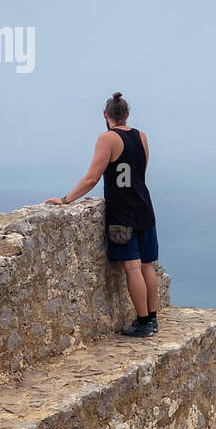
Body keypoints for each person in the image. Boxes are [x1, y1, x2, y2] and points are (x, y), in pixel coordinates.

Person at [45, 92, 160, 337]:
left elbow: (92, 178)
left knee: (132, 267)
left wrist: (66, 199)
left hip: (123, 214)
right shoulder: (141, 136)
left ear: (106, 116)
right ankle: (153, 319)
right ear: (127, 114)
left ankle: (142, 323)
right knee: (148, 266)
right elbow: (140, 171)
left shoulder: (107, 138)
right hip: (144, 208)